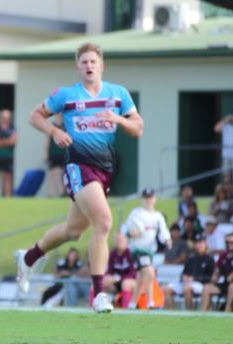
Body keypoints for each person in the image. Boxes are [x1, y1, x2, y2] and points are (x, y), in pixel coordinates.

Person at [14, 42, 144, 313]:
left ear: (101, 65)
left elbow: (138, 128)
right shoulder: (66, 95)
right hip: (78, 167)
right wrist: (54, 132)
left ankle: (28, 258)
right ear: (77, 66)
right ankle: (98, 294)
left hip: (104, 170)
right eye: (83, 62)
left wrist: (118, 120)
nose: (88, 66)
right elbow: (34, 116)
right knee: (104, 221)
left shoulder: (118, 94)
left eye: (93, 61)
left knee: (73, 231)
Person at [122, 188, 171, 310]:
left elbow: (163, 232)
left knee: (141, 277)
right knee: (149, 272)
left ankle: (132, 304)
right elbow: (125, 228)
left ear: (155, 199)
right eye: (146, 198)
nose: (148, 200)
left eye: (150, 198)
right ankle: (151, 302)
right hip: (137, 249)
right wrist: (130, 232)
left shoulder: (158, 216)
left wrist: (167, 240)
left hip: (149, 250)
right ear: (142, 199)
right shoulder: (136, 213)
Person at [164, 234, 215, 310]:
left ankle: (189, 312)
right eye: (196, 243)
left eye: (200, 243)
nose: (198, 245)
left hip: (201, 284)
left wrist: (194, 278)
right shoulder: (191, 258)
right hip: (187, 283)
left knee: (187, 288)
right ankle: (172, 313)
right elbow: (184, 272)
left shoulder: (209, 259)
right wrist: (184, 277)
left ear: (205, 244)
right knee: (167, 289)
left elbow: (210, 277)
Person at [200, 232, 233, 311]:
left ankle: (227, 312)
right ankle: (203, 314)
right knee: (207, 288)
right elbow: (218, 268)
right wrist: (215, 275)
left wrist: (232, 275)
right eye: (227, 242)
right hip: (227, 283)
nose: (229, 244)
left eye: (232, 242)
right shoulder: (223, 255)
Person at [103, 232, 137, 309]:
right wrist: (109, 277)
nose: (119, 242)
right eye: (117, 240)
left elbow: (133, 273)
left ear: (126, 241)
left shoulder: (131, 253)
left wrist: (118, 278)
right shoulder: (112, 254)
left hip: (133, 283)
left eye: (121, 240)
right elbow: (110, 271)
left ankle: (126, 309)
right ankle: (99, 307)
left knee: (126, 283)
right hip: (117, 282)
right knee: (102, 281)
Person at [0, 109, 16, 197]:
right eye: (4, 117)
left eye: (8, 117)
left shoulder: (12, 128)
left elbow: (13, 141)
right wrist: (6, 141)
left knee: (8, 177)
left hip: (8, 157)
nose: (6, 119)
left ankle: (7, 196)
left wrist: (2, 142)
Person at [214, 109, 233, 177]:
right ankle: (228, 187)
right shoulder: (226, 126)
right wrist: (227, 119)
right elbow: (216, 129)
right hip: (226, 155)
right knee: (226, 175)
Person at [45, 114, 65, 197]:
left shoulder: (66, 125)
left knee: (62, 174)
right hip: (53, 153)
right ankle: (52, 193)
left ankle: (61, 193)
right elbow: (47, 141)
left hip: (63, 153)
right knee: (52, 174)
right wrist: (46, 154)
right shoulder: (51, 126)